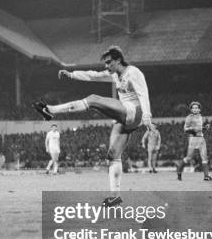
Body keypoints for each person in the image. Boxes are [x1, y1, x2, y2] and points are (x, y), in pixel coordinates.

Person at [32, 46, 154, 206]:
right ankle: (115, 197)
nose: (107, 66)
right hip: (127, 118)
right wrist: (71, 74)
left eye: (109, 62)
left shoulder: (133, 72)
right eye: (105, 63)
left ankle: (51, 110)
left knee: (93, 99)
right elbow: (93, 75)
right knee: (113, 156)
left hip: (135, 111)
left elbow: (143, 93)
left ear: (118, 60)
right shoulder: (115, 74)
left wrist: (147, 116)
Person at [176, 102, 212, 181]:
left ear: (199, 109)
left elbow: (199, 129)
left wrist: (205, 128)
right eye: (193, 108)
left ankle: (206, 176)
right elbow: (185, 129)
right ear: (191, 109)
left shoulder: (200, 117)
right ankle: (179, 173)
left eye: (196, 108)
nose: (195, 109)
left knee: (204, 157)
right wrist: (193, 131)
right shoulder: (189, 118)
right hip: (193, 139)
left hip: (201, 139)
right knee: (188, 158)